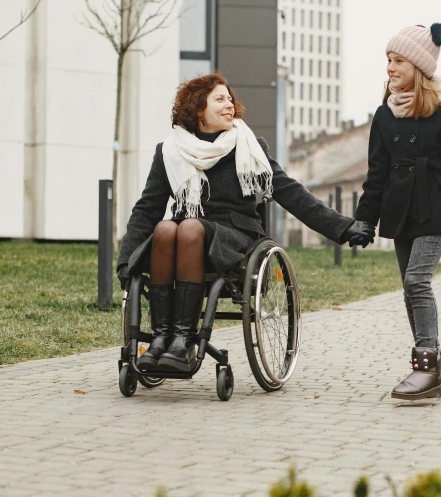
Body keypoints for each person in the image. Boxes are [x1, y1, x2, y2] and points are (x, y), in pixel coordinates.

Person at [116, 73, 375, 374]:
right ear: (197, 108)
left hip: (235, 237)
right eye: (220, 100)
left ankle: (183, 342)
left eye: (230, 99)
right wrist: (126, 259)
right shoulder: (170, 151)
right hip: (182, 236)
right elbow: (147, 209)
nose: (231, 106)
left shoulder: (248, 145)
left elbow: (290, 192)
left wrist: (342, 227)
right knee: (164, 227)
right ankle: (161, 339)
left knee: (187, 226)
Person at [354, 24, 441, 400]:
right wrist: (364, 220)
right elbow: (376, 174)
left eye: (398, 60)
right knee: (408, 289)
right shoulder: (384, 117)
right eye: (388, 59)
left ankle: (427, 366)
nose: (390, 67)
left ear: (418, 66)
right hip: (400, 212)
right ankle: (430, 359)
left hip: (435, 211)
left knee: (418, 281)